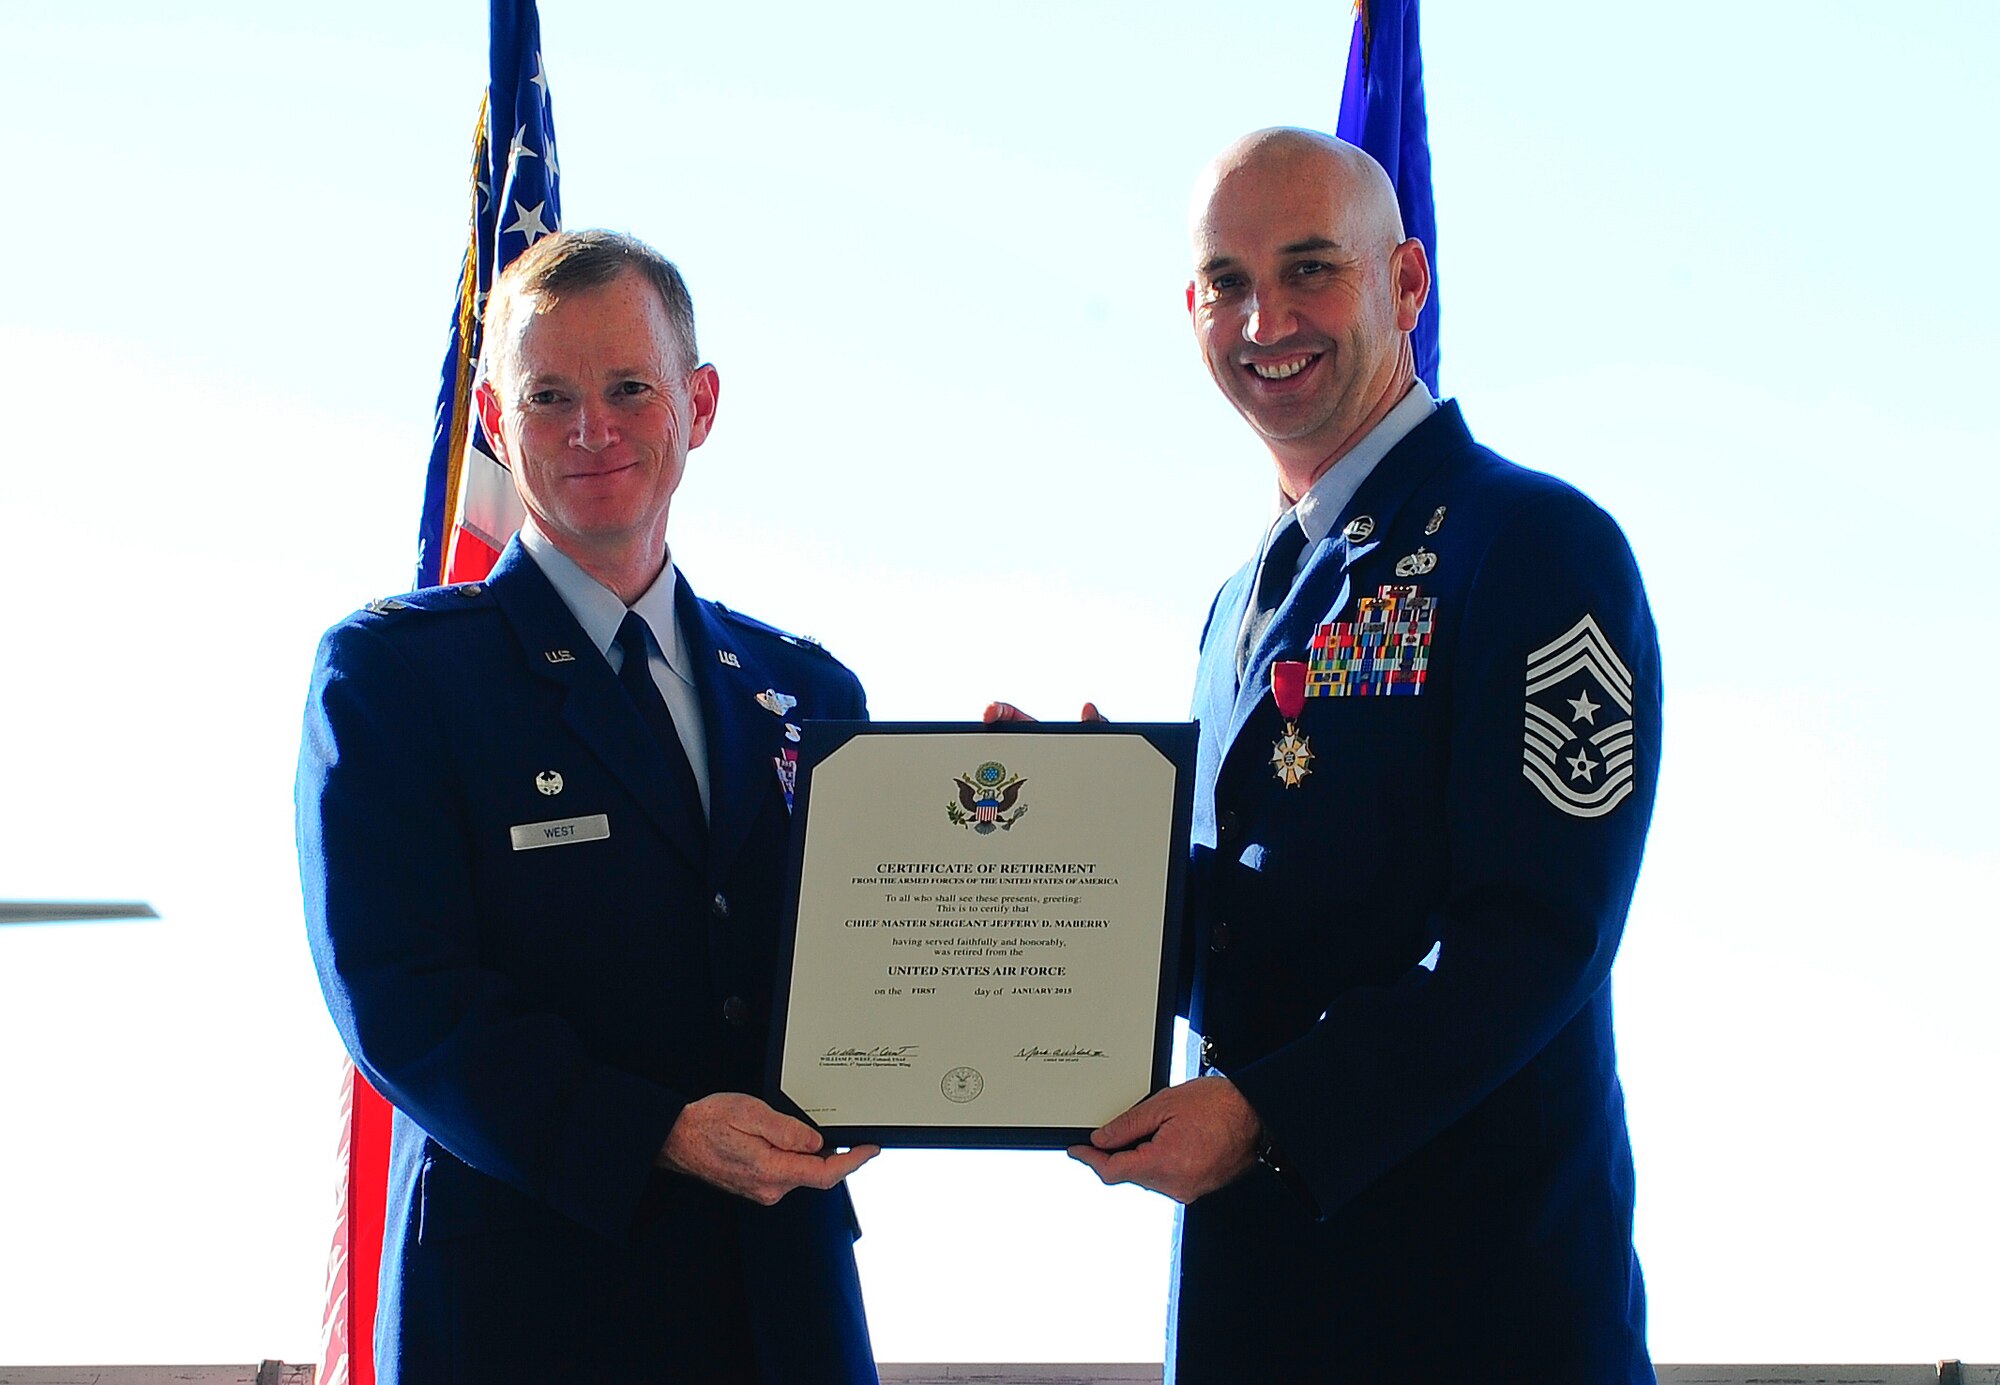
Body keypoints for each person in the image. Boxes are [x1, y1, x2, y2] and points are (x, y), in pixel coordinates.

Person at [994, 128, 1661, 1381]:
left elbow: (1533, 936)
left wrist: (1264, 1119)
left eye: (1310, 270)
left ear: (1404, 283)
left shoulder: (1532, 545)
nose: (1266, 318)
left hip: (1477, 1313)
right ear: (1190, 309)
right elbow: (1253, 941)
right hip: (1261, 1310)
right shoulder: (1238, 599)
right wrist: (1083, 858)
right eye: (1228, 283)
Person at [297, 229, 880, 1383]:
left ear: (698, 403)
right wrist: (652, 1132)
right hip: (527, 1304)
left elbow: (871, 955)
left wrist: (1023, 822)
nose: (590, 429)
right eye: (549, 394)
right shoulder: (398, 678)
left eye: (628, 388)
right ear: (495, 417)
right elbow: (400, 994)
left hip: (778, 1305)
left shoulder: (807, 691)